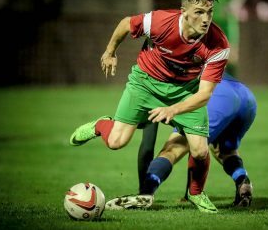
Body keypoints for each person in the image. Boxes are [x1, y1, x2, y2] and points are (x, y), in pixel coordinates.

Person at [69, 0, 230, 213]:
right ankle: (100, 125)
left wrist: (173, 110)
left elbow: (205, 94)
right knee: (116, 142)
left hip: (185, 91)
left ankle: (196, 194)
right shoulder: (160, 21)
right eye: (199, 12)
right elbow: (126, 23)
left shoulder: (218, 44)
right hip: (144, 84)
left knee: (200, 151)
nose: (206, 19)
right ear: (184, 12)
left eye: (209, 12)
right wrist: (110, 51)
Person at [106, 73, 257, 211]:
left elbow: (147, 146)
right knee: (224, 151)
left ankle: (146, 195)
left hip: (217, 96)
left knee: (172, 149)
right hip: (246, 97)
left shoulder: (151, 79)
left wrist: (144, 188)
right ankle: (243, 182)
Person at [191, 0, 247, 76]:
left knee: (231, 56)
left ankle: (231, 86)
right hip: (205, 22)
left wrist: (234, 4)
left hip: (226, 20)